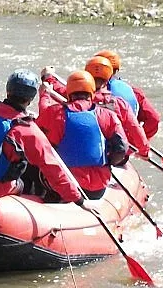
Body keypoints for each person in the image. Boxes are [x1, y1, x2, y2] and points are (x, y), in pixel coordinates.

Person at [0, 69, 86, 206]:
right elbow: (52, 168)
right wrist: (78, 199)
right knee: (24, 178)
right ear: (31, 98)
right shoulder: (27, 130)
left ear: (8, 90)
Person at [37, 70, 129, 199]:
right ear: (91, 91)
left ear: (69, 91)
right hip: (97, 188)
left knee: (34, 160)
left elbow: (39, 130)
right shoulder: (108, 115)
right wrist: (107, 163)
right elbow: (121, 150)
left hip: (63, 186)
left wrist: (44, 96)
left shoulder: (56, 113)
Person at [84, 56, 150, 157]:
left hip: (85, 153)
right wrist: (144, 151)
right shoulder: (119, 103)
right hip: (113, 156)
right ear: (108, 78)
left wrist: (51, 79)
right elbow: (135, 128)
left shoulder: (77, 100)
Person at [95, 49, 161, 139]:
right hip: (130, 143)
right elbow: (154, 119)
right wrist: (140, 138)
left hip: (108, 146)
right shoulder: (134, 91)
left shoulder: (90, 94)